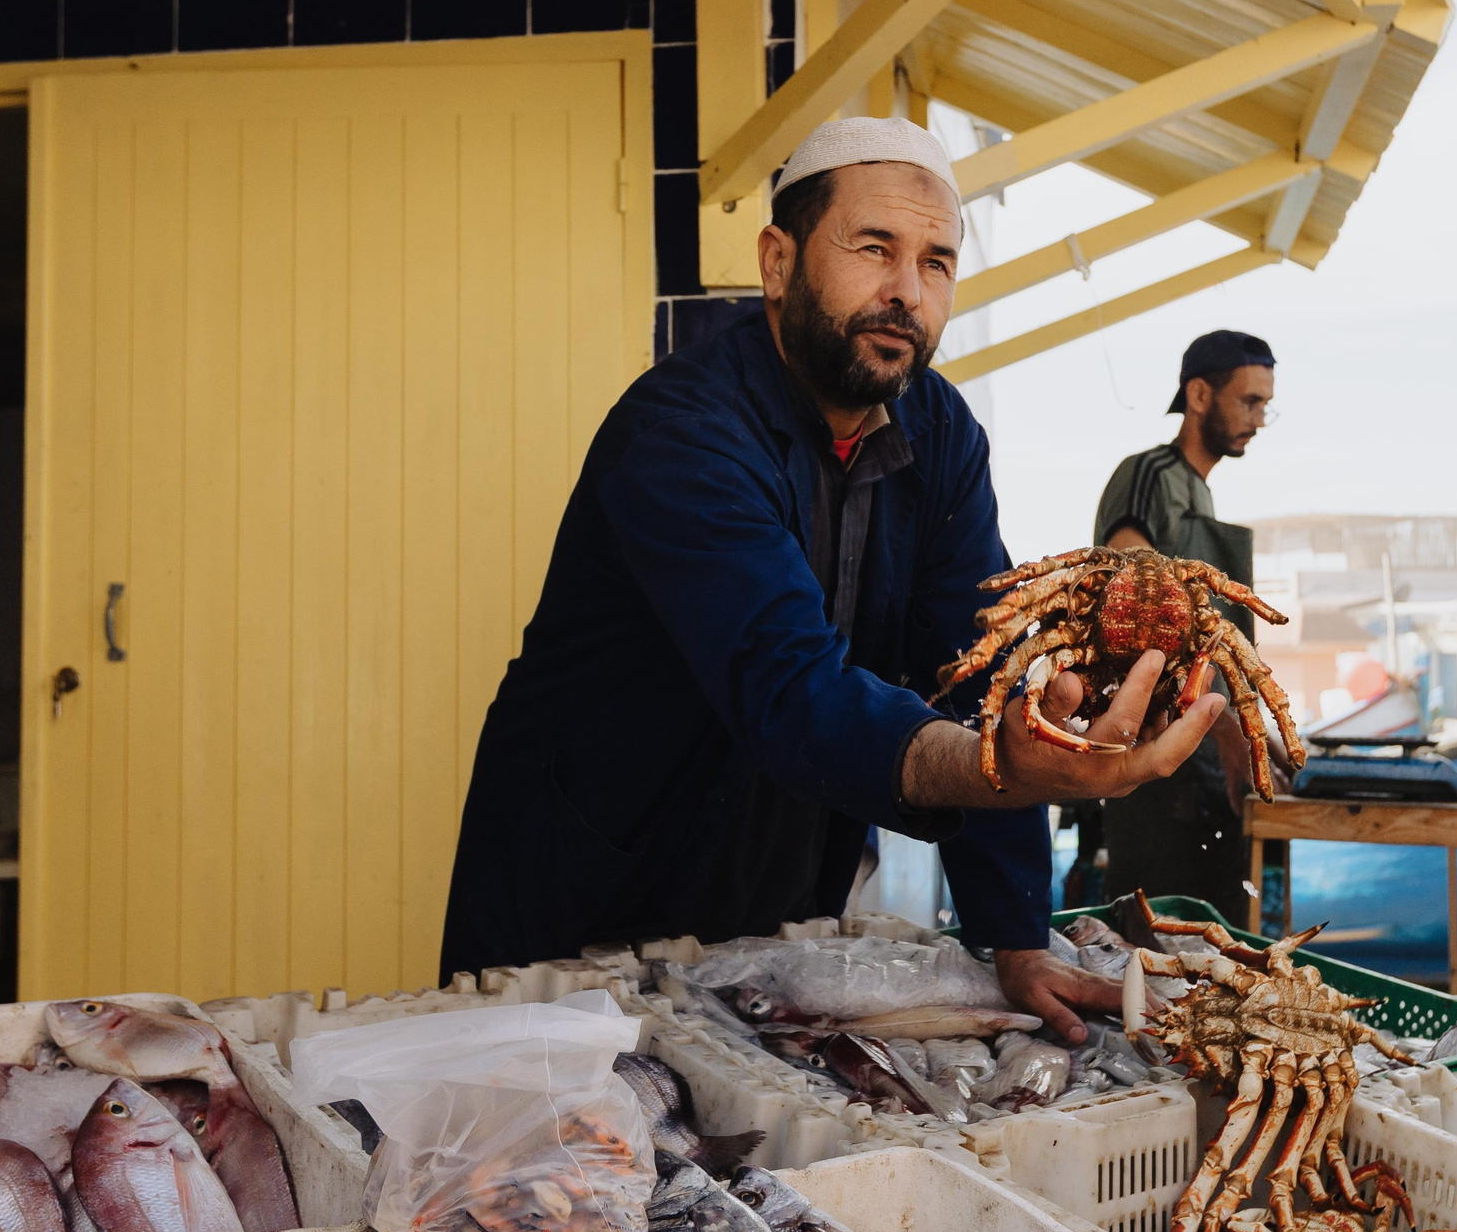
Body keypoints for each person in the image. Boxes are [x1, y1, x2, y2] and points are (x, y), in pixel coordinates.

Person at [437, 117, 1228, 1038]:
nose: (906, 292)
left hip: (771, 913)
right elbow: (791, 689)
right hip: (577, 913)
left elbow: (985, 669)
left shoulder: (939, 434)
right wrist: (994, 766)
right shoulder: (681, 433)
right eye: (873, 248)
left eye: (936, 262)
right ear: (778, 261)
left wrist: (1016, 937)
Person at [1077, 331, 1277, 923]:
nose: (1260, 419)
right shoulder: (1148, 476)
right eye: (1250, 401)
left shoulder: (1200, 495)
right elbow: (1145, 613)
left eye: (1266, 404)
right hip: (1150, 759)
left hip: (1208, 759)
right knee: (1151, 938)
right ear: (1198, 394)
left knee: (1212, 944)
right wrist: (1229, 732)